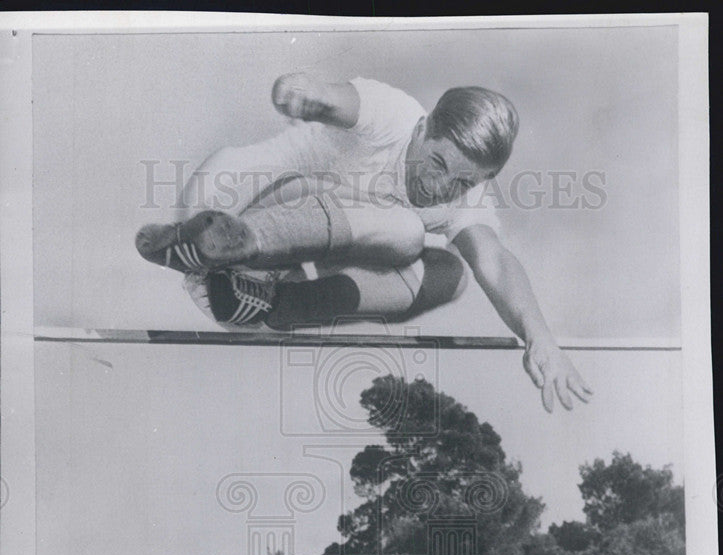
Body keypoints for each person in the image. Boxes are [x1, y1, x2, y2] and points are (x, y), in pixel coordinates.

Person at [136, 73, 592, 413]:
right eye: (437, 163)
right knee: (405, 231)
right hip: (233, 210)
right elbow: (341, 101)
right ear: (421, 129)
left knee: (451, 276)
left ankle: (277, 304)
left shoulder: (468, 200)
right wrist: (307, 95)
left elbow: (495, 261)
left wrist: (541, 338)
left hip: (245, 292)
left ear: (485, 178)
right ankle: (237, 246)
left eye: (463, 181)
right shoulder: (393, 115)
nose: (440, 186)